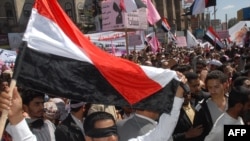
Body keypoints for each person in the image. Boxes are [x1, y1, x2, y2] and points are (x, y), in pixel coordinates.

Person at [193, 70, 229, 141]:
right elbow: (198, 135)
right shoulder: (201, 108)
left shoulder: (234, 103)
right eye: (210, 87)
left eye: (216, 87)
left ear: (225, 85)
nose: (213, 90)